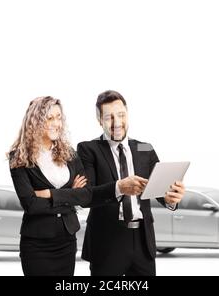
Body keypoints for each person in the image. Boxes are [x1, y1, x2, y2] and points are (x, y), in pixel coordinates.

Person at [77, 90, 186, 276]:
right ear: (99, 120)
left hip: (143, 240)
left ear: (127, 114)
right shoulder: (88, 149)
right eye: (109, 117)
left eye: (121, 115)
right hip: (107, 241)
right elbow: (86, 197)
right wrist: (119, 187)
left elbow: (159, 190)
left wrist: (170, 199)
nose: (117, 123)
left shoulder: (145, 148)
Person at [8, 96, 115, 276]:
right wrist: (70, 196)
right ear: (35, 122)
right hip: (36, 244)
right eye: (50, 118)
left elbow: (85, 195)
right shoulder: (19, 157)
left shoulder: (69, 154)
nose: (56, 123)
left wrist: (51, 194)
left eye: (59, 117)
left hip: (66, 241)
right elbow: (31, 205)